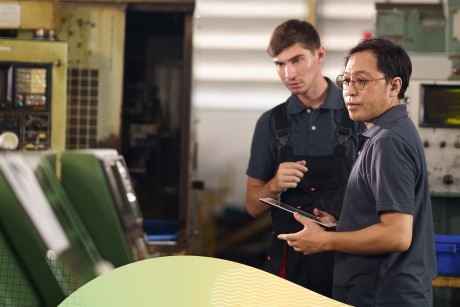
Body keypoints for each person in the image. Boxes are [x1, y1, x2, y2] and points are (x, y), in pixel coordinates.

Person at [278, 37, 437, 306]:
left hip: (383, 295)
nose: (350, 91)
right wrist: (344, 225)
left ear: (394, 86)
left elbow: (396, 235)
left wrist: (325, 242)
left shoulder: (388, 141)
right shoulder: (383, 133)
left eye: (361, 81)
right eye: (346, 80)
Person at [245, 19, 363, 297]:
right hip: (287, 267)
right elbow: (252, 205)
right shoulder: (271, 123)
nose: (289, 73)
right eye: (279, 64)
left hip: (344, 261)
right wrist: (274, 185)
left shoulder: (357, 114)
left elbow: (379, 196)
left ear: (319, 54)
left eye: (297, 60)